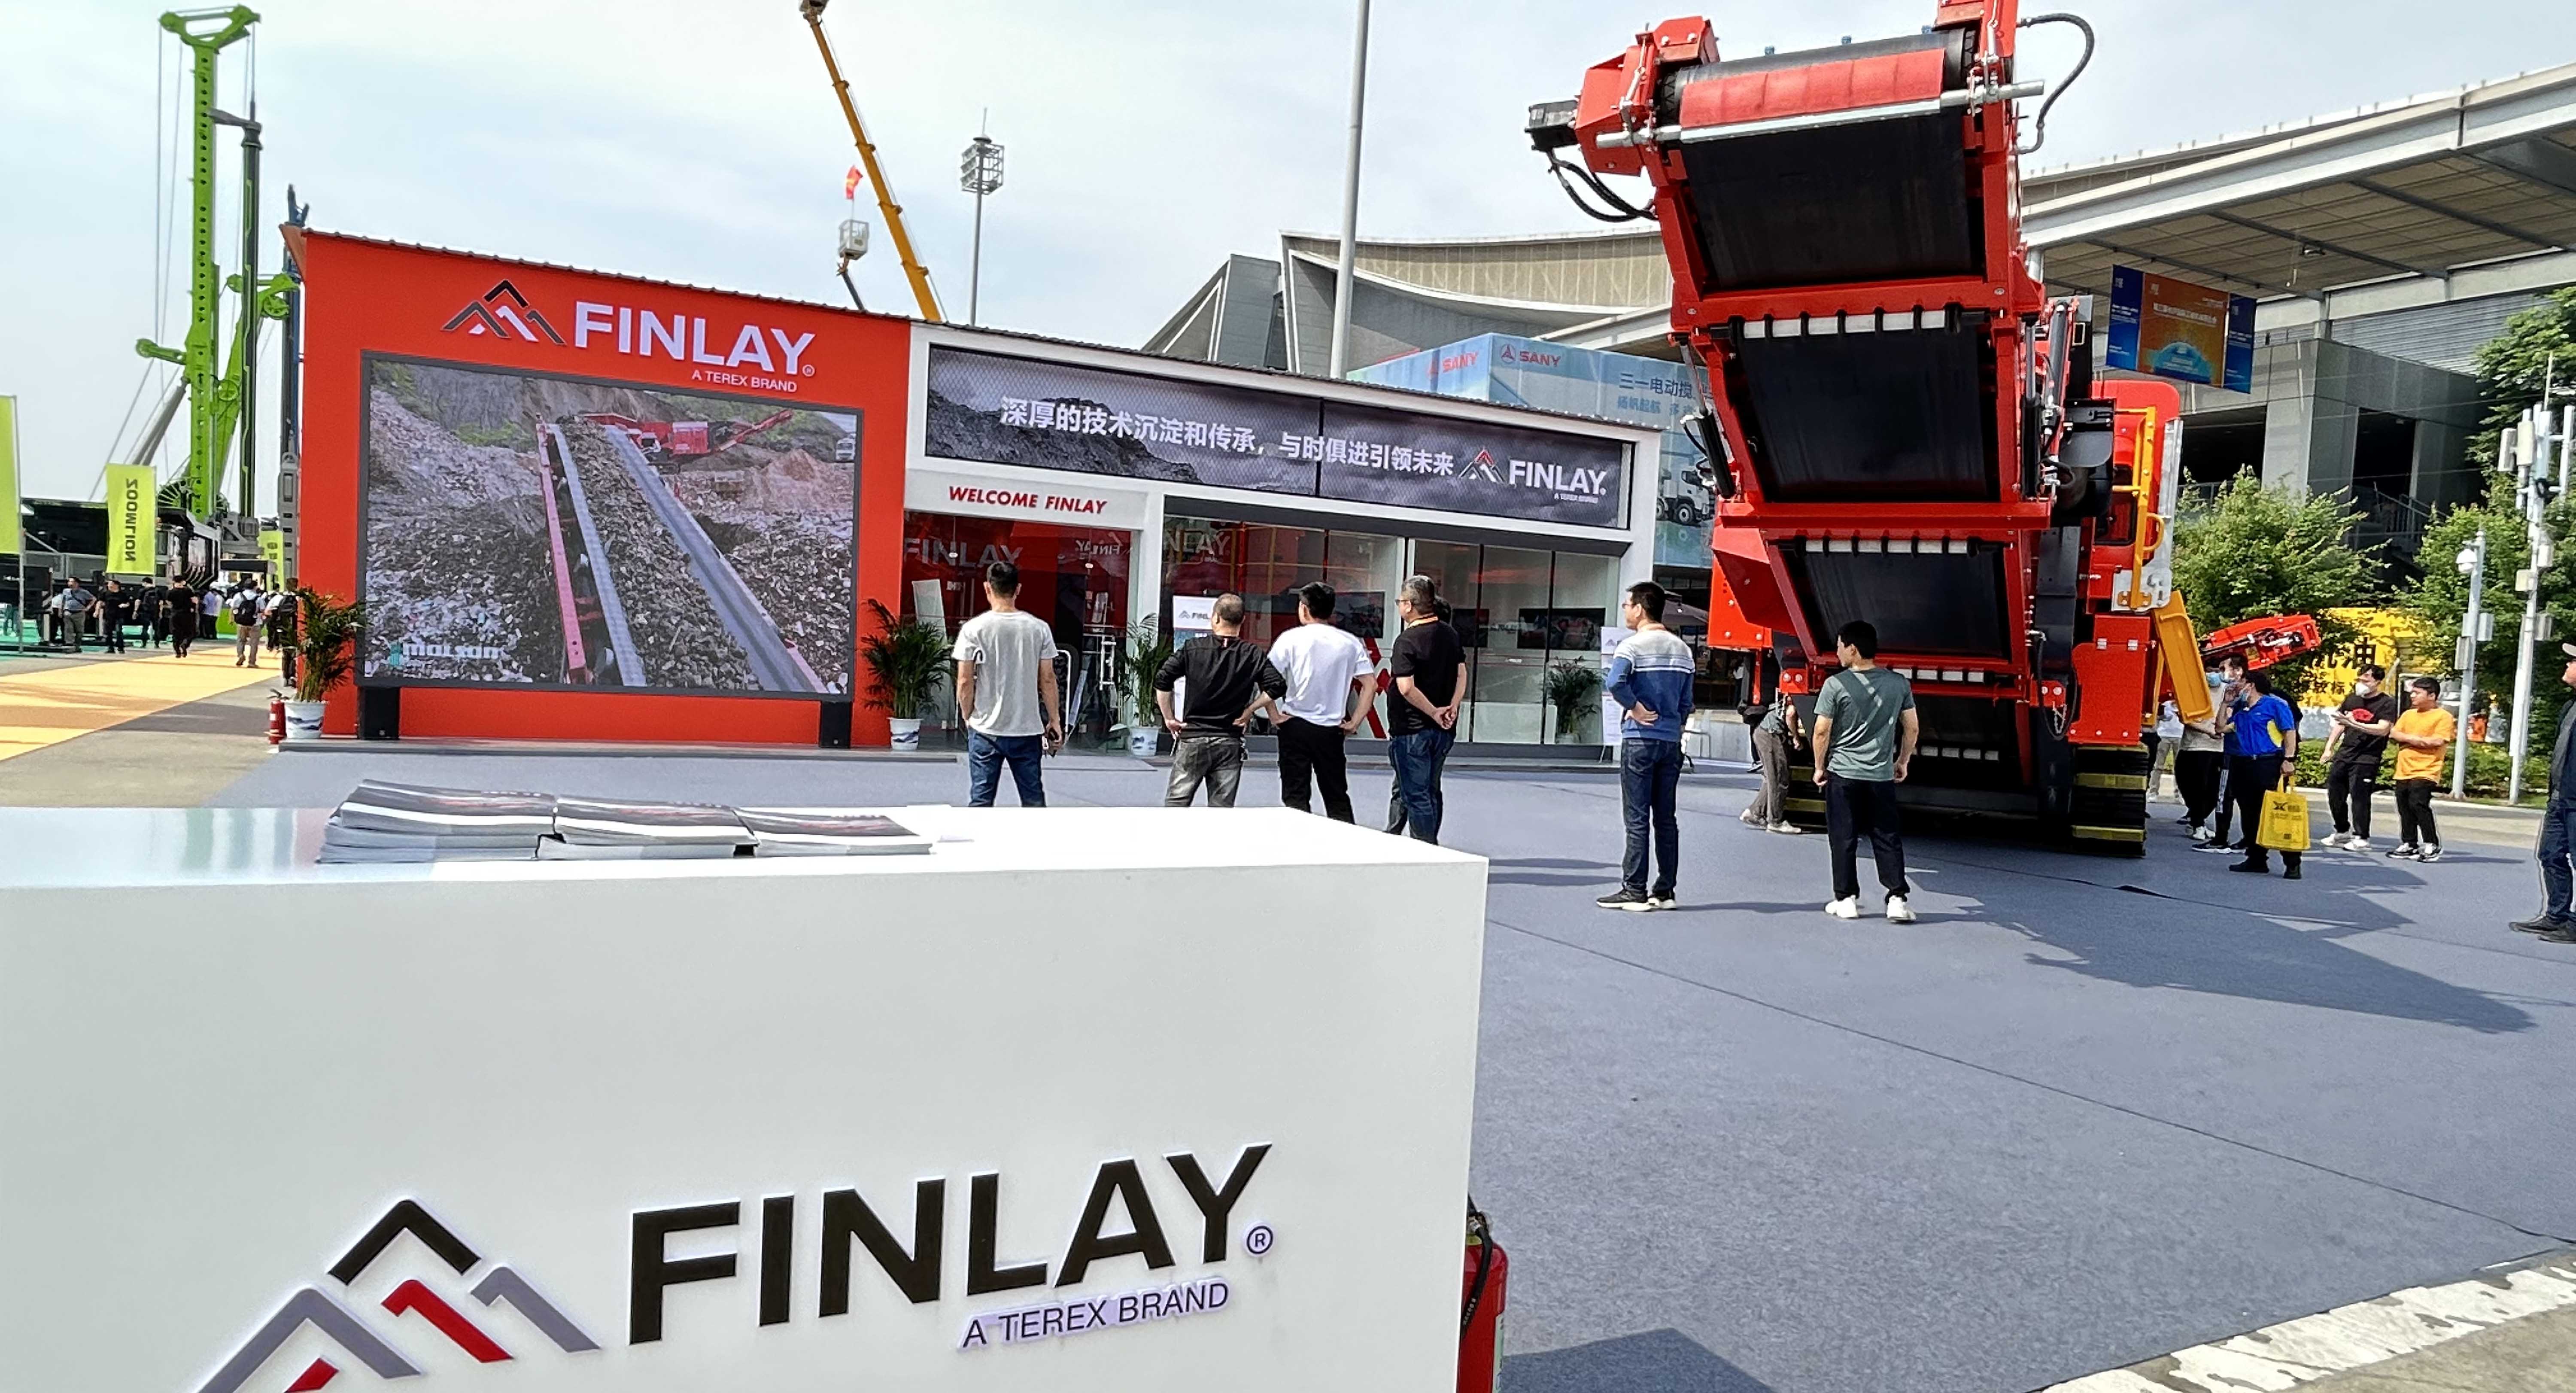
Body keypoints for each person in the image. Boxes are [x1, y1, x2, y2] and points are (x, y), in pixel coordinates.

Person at [1811, 619, 1919, 922]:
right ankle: (1897, 898)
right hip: (1880, 776)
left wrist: (1819, 767)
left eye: (1840, 646)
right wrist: (1902, 761)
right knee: (1886, 836)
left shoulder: (1836, 685)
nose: (1837, 652)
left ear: (1853, 649)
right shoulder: (1899, 684)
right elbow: (1912, 728)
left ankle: (1846, 899)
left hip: (1843, 774)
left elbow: (1821, 731)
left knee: (1843, 837)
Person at [1598, 581, 1695, 911]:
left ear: (1640, 609)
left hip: (1640, 739)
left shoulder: (1631, 646)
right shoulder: (1683, 650)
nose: (1626, 610)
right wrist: (1675, 724)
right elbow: (1686, 701)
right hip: (1670, 742)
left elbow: (1614, 682)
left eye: (1627, 605)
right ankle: (1665, 890)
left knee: (1637, 818)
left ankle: (1634, 889)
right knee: (1666, 818)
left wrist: (1635, 708)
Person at [1154, 592, 1286, 808]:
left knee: (1177, 803)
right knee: (1222, 809)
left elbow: (1163, 680)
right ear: (1243, 620)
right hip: (1229, 740)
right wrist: (1250, 710)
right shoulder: (1252, 654)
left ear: (1215, 618)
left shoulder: (1192, 648)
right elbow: (1277, 685)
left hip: (1194, 737)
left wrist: (1169, 718)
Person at [951, 560, 1062, 808]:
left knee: (981, 800)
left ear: (987, 588)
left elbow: (965, 680)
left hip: (986, 729)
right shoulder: (1039, 628)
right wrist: (1054, 720)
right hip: (1027, 729)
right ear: (1018, 589)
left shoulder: (973, 629)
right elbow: (1047, 678)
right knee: (1033, 800)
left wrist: (968, 714)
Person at [1267, 581, 1373, 821]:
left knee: (1295, 796)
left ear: (1304, 608)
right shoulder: (1350, 642)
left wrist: (1273, 714)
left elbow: (1267, 678)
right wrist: (1355, 721)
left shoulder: (1290, 639)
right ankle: (1345, 840)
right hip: (1331, 729)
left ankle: (1299, 840)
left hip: (1294, 724)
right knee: (1336, 795)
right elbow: (1370, 684)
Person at [1384, 576, 1467, 844]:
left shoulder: (1407, 641)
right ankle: (1408, 839)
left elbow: (1406, 688)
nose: (1399, 606)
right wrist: (1452, 706)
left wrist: (1433, 711)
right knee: (1429, 790)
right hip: (1443, 729)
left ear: (1409, 605)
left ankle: (1425, 848)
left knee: (1416, 794)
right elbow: (1462, 673)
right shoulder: (1450, 634)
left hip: (1413, 728)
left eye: (1400, 601)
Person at [2516, 645, 2576, 941]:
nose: (2567, 665)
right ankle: (2557, 915)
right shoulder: (2570, 706)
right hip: (2560, 798)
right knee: (2551, 855)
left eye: (2573, 661)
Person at [2226, 670, 2303, 878]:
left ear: (2251, 684)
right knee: (2249, 813)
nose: (2237, 685)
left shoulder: (2275, 705)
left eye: (2241, 681)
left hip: (2267, 763)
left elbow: (2289, 731)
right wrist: (2226, 703)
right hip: (2243, 763)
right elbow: (2221, 728)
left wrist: (2289, 759)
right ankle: (2256, 859)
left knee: (2275, 812)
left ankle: (2292, 862)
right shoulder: (2241, 707)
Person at [2321, 665, 2400, 851]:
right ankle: (2342, 830)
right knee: (2335, 792)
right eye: (2360, 679)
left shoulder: (2386, 703)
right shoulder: (2352, 699)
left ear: (2377, 682)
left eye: (2366, 680)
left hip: (2367, 757)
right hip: (2345, 753)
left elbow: (2383, 729)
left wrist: (2354, 723)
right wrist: (2329, 748)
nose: (2361, 683)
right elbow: (2340, 724)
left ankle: (2361, 837)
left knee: (2360, 796)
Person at [2381, 674, 2454, 864]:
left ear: (2432, 696)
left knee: (2418, 804)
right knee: (2404, 806)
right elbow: (2394, 733)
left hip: (2427, 769)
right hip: (2404, 769)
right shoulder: (2408, 715)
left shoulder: (2443, 717)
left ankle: (2431, 843)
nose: (2412, 696)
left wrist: (2409, 739)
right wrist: (2419, 740)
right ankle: (2409, 843)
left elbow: (2437, 741)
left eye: (2417, 693)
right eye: (2412, 692)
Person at [2197, 654, 2252, 851]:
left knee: (2229, 797)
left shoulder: (2248, 697)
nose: (2221, 674)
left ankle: (2227, 839)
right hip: (2237, 752)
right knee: (2231, 797)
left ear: (2238, 671)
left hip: (2241, 753)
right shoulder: (2235, 695)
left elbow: (2225, 725)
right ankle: (2240, 839)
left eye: (2224, 669)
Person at [2175, 666, 2229, 838]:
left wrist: (2222, 730)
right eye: (2209, 671)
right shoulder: (2193, 690)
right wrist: (2208, 731)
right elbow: (2185, 718)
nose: (2213, 675)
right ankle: (2198, 822)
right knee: (2194, 788)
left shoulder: (2227, 691)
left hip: (2219, 747)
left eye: (2217, 671)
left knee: (2213, 790)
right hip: (2194, 746)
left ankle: (2198, 821)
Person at [1747, 688, 1804, 834]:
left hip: (1763, 732)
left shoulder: (1788, 693)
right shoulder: (1798, 695)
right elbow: (1790, 714)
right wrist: (1796, 737)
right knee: (1779, 778)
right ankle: (1775, 821)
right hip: (1772, 734)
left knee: (1770, 778)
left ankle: (1756, 812)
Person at [2151, 696, 2183, 802]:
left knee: (2179, 767)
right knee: (2158, 766)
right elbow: (2157, 717)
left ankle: (2179, 794)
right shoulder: (2165, 705)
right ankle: (2153, 792)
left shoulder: (2184, 706)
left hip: (2179, 736)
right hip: (2164, 735)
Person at [52, 578, 95, 654]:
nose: (70, 584)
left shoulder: (83, 592)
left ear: (77, 584)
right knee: (68, 629)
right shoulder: (66, 591)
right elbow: (63, 601)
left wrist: (88, 608)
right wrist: (61, 611)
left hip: (79, 613)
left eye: (72, 582)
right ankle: (70, 644)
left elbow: (93, 599)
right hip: (68, 612)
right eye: (69, 582)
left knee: (80, 630)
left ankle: (78, 644)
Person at [230, 582, 267, 666]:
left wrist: (232, 619)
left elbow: (233, 608)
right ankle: (252, 662)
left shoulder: (239, 596)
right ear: (255, 588)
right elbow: (263, 610)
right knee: (254, 643)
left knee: (241, 640)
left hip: (241, 623)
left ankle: (241, 655)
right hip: (255, 623)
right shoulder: (258, 598)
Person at [99, 580, 134, 654]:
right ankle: (110, 647)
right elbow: (100, 602)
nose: (109, 586)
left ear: (116, 585)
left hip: (119, 615)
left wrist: (125, 605)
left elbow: (128, 603)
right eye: (109, 584)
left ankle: (120, 647)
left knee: (119, 631)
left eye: (111, 584)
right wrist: (97, 611)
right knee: (108, 632)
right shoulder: (105, 593)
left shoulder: (123, 594)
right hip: (108, 615)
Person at [166, 579, 198, 657]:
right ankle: (185, 645)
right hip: (187, 614)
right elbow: (195, 601)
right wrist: (193, 608)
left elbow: (168, 602)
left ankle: (178, 652)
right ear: (183, 582)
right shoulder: (188, 591)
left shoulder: (170, 592)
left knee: (176, 634)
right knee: (190, 633)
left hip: (175, 615)